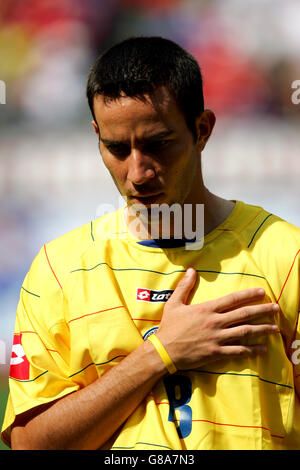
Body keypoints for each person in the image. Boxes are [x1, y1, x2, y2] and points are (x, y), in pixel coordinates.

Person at [1, 36, 300, 451]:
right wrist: (161, 353)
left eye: (158, 144)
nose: (138, 172)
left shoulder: (286, 257)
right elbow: (30, 446)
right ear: (96, 136)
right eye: (117, 148)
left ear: (202, 129)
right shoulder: (59, 269)